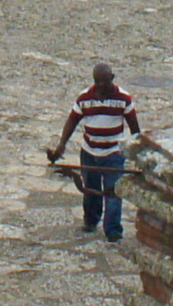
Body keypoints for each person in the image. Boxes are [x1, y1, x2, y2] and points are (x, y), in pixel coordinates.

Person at [47, 62, 142, 240]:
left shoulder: (124, 99)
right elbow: (72, 121)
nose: (101, 87)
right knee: (90, 189)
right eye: (97, 83)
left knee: (114, 193)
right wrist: (61, 145)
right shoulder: (85, 98)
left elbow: (134, 128)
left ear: (112, 79)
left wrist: (138, 151)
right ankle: (91, 221)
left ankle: (113, 230)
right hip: (89, 152)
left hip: (114, 153)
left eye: (104, 82)